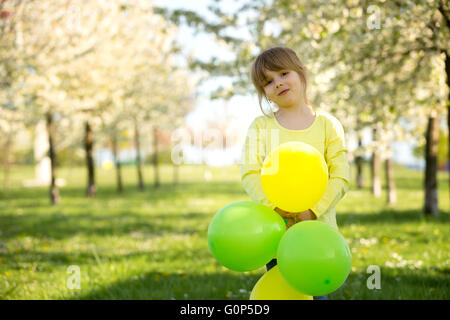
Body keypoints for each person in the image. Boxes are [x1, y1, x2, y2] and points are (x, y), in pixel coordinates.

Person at [241, 46, 351, 300]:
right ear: (264, 93)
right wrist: (275, 207)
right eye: (268, 82)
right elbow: (250, 172)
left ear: (302, 74)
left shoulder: (328, 125)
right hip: (277, 232)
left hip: (318, 233)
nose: (277, 83)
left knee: (315, 295)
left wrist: (312, 209)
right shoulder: (261, 126)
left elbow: (341, 176)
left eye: (283, 73)